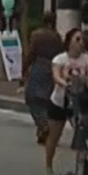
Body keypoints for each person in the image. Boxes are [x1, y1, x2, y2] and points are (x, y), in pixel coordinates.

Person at [43, 27, 88, 175]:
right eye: (77, 39)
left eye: (82, 40)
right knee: (54, 136)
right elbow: (56, 76)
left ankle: (83, 169)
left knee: (84, 134)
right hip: (60, 101)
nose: (81, 43)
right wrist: (64, 83)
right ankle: (49, 165)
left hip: (79, 102)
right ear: (69, 42)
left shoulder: (87, 59)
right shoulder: (60, 59)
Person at [21, 12, 63, 146]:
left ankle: (42, 125)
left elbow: (31, 53)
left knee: (32, 98)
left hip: (39, 67)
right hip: (51, 68)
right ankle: (42, 128)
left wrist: (24, 68)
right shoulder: (57, 37)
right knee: (46, 99)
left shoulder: (36, 35)